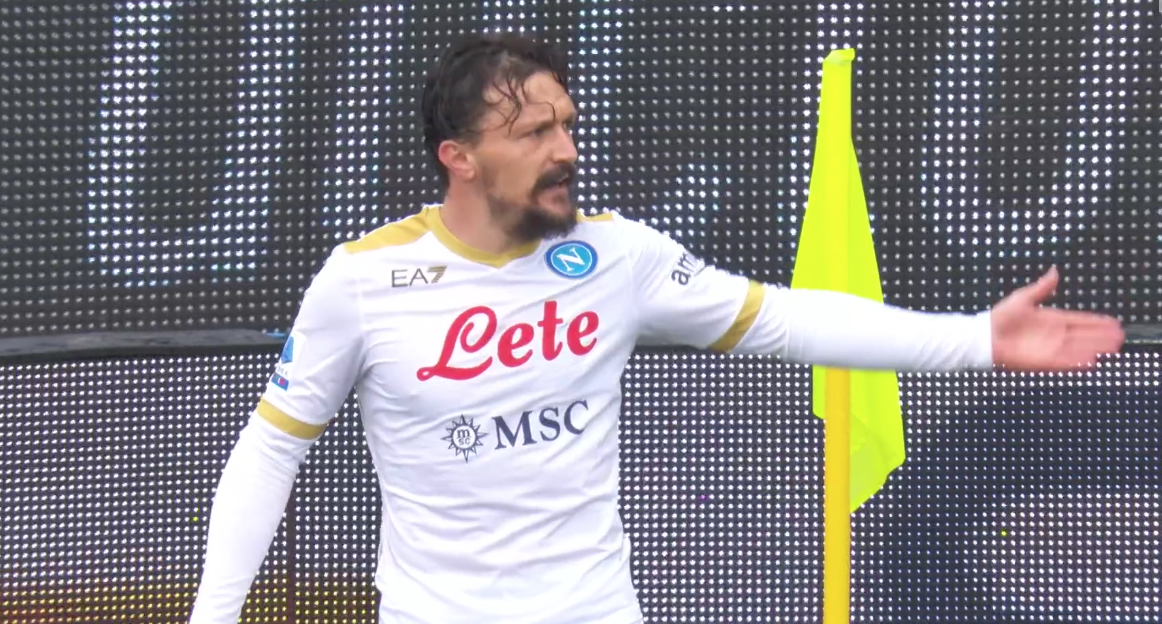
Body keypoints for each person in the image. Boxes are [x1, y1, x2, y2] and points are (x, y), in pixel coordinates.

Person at [188, 31, 1125, 624]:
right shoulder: (362, 278)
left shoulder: (617, 257)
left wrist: (975, 339)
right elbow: (270, 449)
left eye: (568, 125)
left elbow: (791, 319)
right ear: (458, 158)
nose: (566, 150)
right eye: (535, 134)